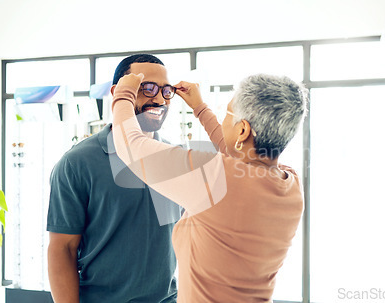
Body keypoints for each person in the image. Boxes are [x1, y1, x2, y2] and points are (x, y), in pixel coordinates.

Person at [112, 72, 307, 302]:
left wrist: (123, 93)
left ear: (242, 130)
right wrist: (200, 108)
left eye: (227, 113)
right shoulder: (291, 185)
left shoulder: (216, 177)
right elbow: (238, 154)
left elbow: (132, 148)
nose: (224, 119)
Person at [47, 54, 181, 303]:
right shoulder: (77, 163)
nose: (159, 98)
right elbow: (62, 249)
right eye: (147, 88)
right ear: (119, 93)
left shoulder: (177, 160)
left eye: (166, 90)